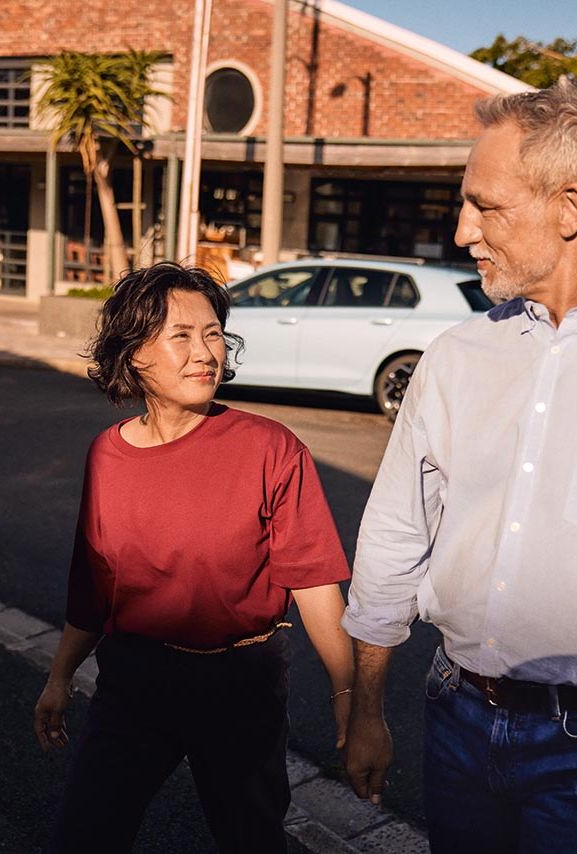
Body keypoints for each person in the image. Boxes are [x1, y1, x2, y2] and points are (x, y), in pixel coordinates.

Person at [341, 80, 577, 853]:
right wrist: (366, 709)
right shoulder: (457, 356)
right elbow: (393, 535)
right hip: (454, 718)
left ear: (569, 208)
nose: (462, 231)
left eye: (485, 206)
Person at [34, 262, 353, 853]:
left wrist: (350, 698)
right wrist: (59, 677)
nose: (205, 351)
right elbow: (95, 581)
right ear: (134, 355)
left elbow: (314, 586)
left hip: (240, 686)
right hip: (134, 680)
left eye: (213, 333)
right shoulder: (107, 453)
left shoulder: (271, 447)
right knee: (85, 833)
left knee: (250, 839)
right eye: (181, 335)